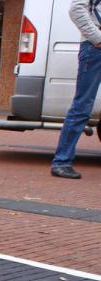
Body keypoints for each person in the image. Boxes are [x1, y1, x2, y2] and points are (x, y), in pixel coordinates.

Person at [51, 0, 101, 179]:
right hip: (95, 49)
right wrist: (97, 38)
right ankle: (61, 162)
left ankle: (62, 161)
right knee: (83, 106)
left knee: (83, 105)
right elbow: (76, 9)